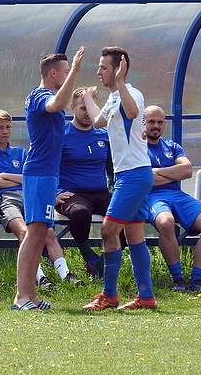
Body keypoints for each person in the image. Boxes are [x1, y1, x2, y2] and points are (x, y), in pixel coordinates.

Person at [82, 46, 156, 310]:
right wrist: (87, 97)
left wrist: (121, 82)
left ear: (118, 68)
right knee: (134, 235)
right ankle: (146, 297)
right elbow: (99, 122)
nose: (98, 71)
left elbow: (133, 113)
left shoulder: (130, 92)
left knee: (108, 230)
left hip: (134, 175)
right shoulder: (113, 97)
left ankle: (109, 295)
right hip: (128, 174)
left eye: (103, 67)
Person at [12, 47, 85, 311]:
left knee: (42, 233)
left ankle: (31, 296)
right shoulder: (39, 95)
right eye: (65, 72)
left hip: (48, 174)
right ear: (53, 73)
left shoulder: (49, 95)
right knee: (34, 234)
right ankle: (21, 297)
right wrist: (75, 71)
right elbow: (57, 105)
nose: (68, 76)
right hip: (38, 173)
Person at [0, 109, 83, 289]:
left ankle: (66, 275)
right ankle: (40, 277)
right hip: (4, 199)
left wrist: (5, 175)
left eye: (8, 127)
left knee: (48, 232)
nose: (5, 131)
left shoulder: (20, 153)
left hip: (29, 195)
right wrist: (17, 179)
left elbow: (30, 179)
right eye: (0, 128)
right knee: (24, 232)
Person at [144, 105, 201, 291]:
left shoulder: (172, 146)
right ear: (143, 123)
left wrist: (156, 172)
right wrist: (171, 174)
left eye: (160, 122)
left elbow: (187, 171)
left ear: (165, 124)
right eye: (151, 122)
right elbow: (145, 180)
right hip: (151, 196)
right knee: (165, 222)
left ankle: (197, 280)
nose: (156, 126)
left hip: (177, 195)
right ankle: (178, 279)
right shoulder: (138, 148)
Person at [55, 87, 113, 279]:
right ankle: (88, 255)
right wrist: (54, 193)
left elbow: (112, 168)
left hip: (101, 193)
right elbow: (47, 166)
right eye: (83, 108)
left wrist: (116, 188)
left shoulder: (103, 134)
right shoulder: (61, 134)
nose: (88, 113)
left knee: (127, 211)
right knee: (80, 213)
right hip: (73, 194)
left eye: (91, 108)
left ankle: (104, 262)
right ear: (73, 108)